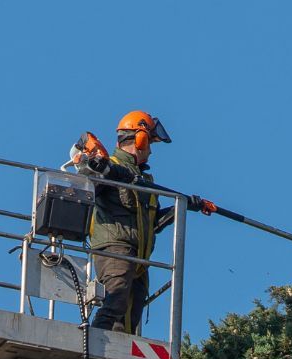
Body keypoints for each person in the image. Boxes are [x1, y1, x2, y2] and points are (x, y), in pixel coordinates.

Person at [71, 111, 205, 334]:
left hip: (140, 258)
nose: (151, 150)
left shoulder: (144, 181)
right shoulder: (108, 166)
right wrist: (100, 167)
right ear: (139, 139)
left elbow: (152, 223)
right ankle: (93, 344)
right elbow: (88, 183)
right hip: (116, 248)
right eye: (150, 143)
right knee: (115, 301)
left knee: (130, 318)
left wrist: (183, 206)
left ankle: (114, 351)